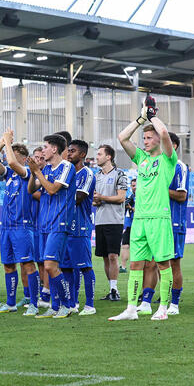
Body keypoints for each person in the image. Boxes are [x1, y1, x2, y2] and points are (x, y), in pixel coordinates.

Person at [110, 95, 176, 321]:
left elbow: (164, 133)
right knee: (136, 264)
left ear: (158, 140)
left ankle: (163, 308)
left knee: (162, 263)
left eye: (149, 137)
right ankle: (131, 309)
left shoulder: (168, 159)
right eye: (144, 138)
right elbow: (122, 137)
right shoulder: (142, 159)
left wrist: (152, 115)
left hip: (159, 218)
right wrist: (141, 119)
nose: (145, 141)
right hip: (139, 219)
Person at [0, 130, 39, 315]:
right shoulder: (10, 175)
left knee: (28, 265)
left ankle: (34, 304)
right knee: (8, 265)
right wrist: (2, 143)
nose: (9, 157)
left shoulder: (27, 173)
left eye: (13, 155)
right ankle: (10, 303)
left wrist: (8, 143)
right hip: (6, 227)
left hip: (21, 226)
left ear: (24, 159)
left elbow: (12, 162)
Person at [27, 134, 75, 319]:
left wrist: (37, 172)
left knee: (50, 265)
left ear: (55, 149)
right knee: (50, 266)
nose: (43, 150)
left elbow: (53, 189)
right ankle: (55, 306)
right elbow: (31, 189)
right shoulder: (46, 169)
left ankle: (67, 305)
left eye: (45, 147)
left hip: (59, 222)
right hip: (45, 224)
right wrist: (33, 172)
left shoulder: (66, 167)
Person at [65, 139, 96, 315]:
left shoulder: (87, 174)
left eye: (73, 151)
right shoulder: (68, 173)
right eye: (68, 151)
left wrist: (57, 192)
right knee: (67, 267)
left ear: (82, 154)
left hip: (80, 227)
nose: (69, 154)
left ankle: (90, 305)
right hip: (66, 227)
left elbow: (78, 198)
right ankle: (72, 303)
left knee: (85, 267)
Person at [93, 144, 128, 301]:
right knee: (105, 257)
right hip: (100, 221)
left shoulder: (120, 174)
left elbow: (121, 197)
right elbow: (95, 201)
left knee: (113, 255)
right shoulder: (97, 176)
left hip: (114, 221)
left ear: (109, 157)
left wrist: (102, 198)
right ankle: (111, 288)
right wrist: (97, 201)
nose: (97, 157)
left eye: (100, 154)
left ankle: (115, 290)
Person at [165, 132, 188, 315]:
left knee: (174, 262)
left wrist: (160, 189)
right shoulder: (159, 165)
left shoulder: (179, 166)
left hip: (174, 221)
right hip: (159, 221)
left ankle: (174, 303)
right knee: (157, 262)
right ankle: (161, 299)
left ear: (174, 146)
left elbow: (182, 195)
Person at [31, 147, 50, 307]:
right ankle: (43, 291)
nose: (38, 160)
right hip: (35, 223)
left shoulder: (49, 173)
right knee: (39, 260)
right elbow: (31, 191)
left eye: (41, 158)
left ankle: (47, 292)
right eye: (36, 157)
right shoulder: (34, 175)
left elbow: (39, 194)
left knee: (47, 260)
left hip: (48, 222)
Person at [119, 179, 137, 273]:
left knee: (138, 247)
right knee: (125, 245)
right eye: (133, 186)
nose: (135, 187)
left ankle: (139, 267)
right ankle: (123, 267)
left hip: (139, 225)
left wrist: (131, 208)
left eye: (136, 185)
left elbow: (143, 211)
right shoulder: (130, 196)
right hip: (129, 225)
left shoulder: (143, 196)